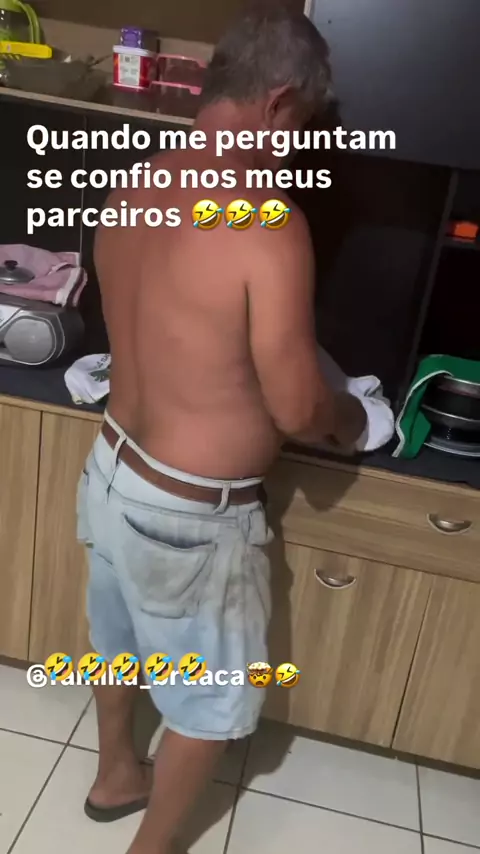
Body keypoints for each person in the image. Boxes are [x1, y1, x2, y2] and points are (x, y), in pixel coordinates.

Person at [77, 3, 366, 852]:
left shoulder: (136, 179)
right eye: (300, 127)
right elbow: (300, 408)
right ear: (278, 101)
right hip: (190, 513)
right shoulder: (264, 221)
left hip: (111, 469)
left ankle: (115, 774)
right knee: (208, 702)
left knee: (116, 643)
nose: (294, 148)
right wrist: (353, 417)